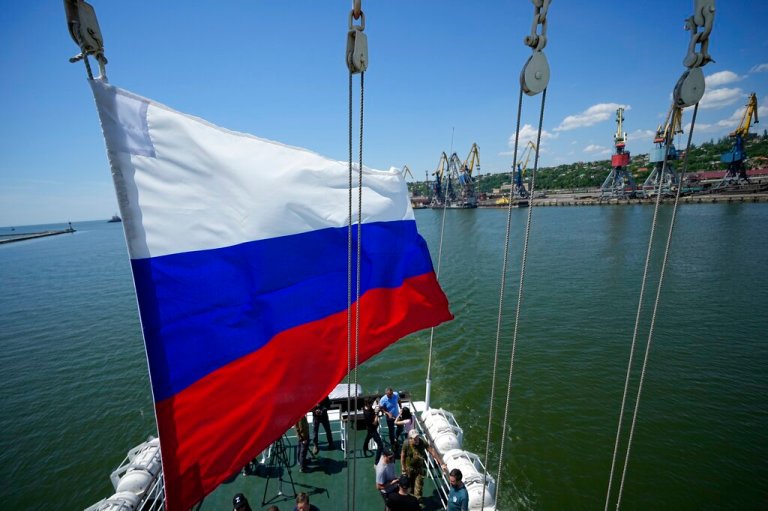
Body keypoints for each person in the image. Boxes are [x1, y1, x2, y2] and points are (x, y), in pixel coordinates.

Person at [401, 429, 446, 499]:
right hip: (409, 469)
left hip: (419, 469)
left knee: (418, 489)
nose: (417, 439)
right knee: (409, 487)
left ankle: (417, 502)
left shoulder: (422, 442)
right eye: (414, 438)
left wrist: (441, 463)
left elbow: (432, 451)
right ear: (410, 439)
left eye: (417, 437)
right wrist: (403, 469)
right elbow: (403, 456)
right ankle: (410, 501)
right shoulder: (406, 444)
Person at [362, 397, 384, 465]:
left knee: (368, 438)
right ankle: (376, 462)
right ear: (367, 404)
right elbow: (374, 422)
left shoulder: (365, 408)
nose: (372, 404)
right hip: (373, 429)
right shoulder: (368, 414)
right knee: (380, 446)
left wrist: (377, 403)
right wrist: (376, 413)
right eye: (370, 404)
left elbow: (374, 404)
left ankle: (364, 449)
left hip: (369, 428)